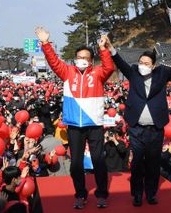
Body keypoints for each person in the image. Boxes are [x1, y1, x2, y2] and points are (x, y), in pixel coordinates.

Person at [35, 27, 115, 209]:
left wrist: (104, 49)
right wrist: (46, 43)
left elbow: (109, 66)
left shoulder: (98, 73)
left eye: (86, 58)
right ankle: (80, 194)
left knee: (98, 160)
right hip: (74, 125)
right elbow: (54, 62)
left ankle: (102, 194)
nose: (82, 60)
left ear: (91, 60)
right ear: (75, 59)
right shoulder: (67, 72)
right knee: (76, 164)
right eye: (79, 57)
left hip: (94, 123)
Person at [105, 36, 171, 206]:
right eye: (141, 61)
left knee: (152, 163)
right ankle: (137, 194)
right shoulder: (134, 72)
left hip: (155, 128)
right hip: (136, 127)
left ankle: (150, 193)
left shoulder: (161, 73)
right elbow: (120, 63)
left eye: (147, 63)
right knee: (136, 162)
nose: (143, 65)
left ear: (153, 65)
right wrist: (111, 48)